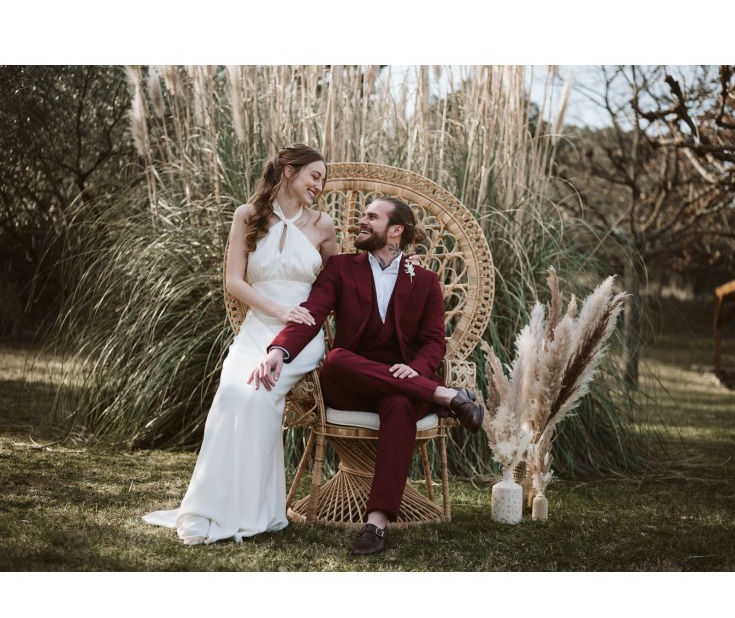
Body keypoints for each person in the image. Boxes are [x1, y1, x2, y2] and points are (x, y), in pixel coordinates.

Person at [251, 195, 485, 556]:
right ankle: (446, 396)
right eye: (363, 215)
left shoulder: (425, 281)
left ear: (395, 231)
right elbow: (311, 315)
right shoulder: (341, 268)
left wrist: (418, 369)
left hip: (404, 385)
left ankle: (376, 524)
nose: (361, 221)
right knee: (338, 359)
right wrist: (279, 350)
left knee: (400, 403)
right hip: (348, 383)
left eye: (371, 217)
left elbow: (433, 341)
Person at [143, 144, 337, 545]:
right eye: (313, 175)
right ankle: (212, 507)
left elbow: (333, 287)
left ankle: (256, 512)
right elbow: (234, 282)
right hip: (257, 327)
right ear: (288, 170)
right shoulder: (247, 216)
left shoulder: (324, 226)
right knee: (233, 393)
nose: (319, 185)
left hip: (300, 335)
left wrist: (296, 319)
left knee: (259, 396)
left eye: (323, 179)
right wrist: (277, 309)